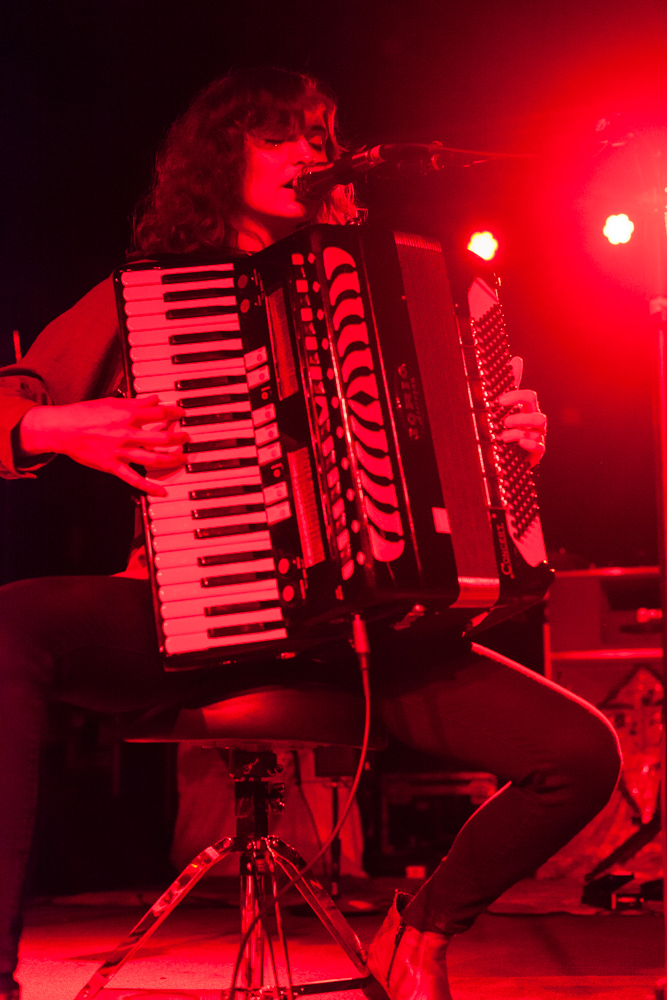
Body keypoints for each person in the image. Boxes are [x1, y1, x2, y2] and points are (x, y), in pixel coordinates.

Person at [0, 67, 621, 1000]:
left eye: (322, 137)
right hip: (189, 619)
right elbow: (13, 405)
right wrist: (54, 428)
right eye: (278, 133)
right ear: (220, 155)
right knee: (10, 624)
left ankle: (422, 926)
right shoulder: (158, 297)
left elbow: (449, 485)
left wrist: (501, 453)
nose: (309, 154)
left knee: (580, 757)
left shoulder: (401, 291)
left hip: (358, 643)